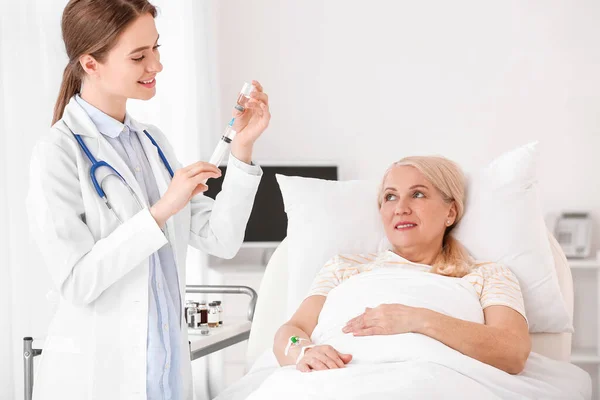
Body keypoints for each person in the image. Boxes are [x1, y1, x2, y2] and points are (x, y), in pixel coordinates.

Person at [26, 1, 270, 399]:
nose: (156, 65)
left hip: (167, 372)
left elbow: (221, 240)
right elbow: (77, 282)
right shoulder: (57, 152)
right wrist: (159, 213)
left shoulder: (153, 142)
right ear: (91, 64)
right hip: (100, 377)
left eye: (155, 48)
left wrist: (241, 149)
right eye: (139, 56)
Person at [273, 156, 531, 375]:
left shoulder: (488, 275)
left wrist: (417, 319)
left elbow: (513, 352)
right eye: (390, 197)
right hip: (337, 382)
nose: (401, 208)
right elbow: (292, 331)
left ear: (450, 212)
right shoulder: (343, 268)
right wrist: (303, 352)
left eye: (417, 194)